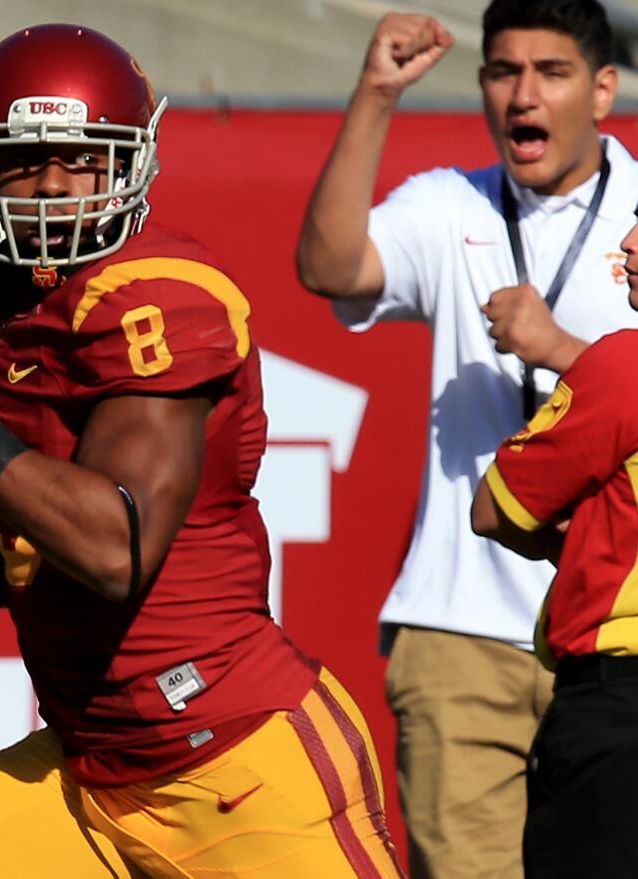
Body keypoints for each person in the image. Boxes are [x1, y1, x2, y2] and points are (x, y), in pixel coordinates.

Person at [0, 23, 403, 878]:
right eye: (24, 159)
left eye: (81, 157)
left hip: (237, 769)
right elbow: (32, 439)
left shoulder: (161, 297)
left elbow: (113, 547)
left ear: (131, 162)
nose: (54, 186)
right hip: (89, 769)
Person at [295, 2, 638, 876]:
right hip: (462, 628)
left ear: (604, 90)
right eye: (502, 72)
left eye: (551, 73)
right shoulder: (451, 203)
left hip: (614, 638)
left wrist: (561, 350)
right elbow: (329, 268)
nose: (523, 95)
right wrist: (376, 94)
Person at [470, 215, 638, 879]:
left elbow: (494, 507)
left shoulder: (626, 365)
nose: (628, 242)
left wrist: (583, 537)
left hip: (619, 714)